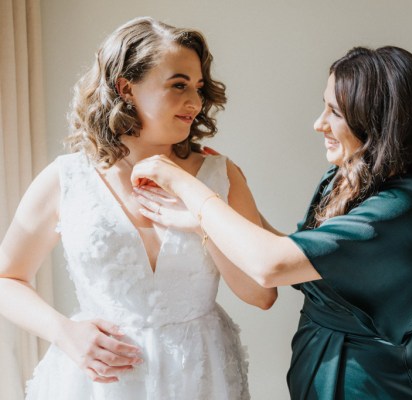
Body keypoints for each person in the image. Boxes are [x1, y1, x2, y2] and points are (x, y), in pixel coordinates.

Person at [131, 46, 412, 399]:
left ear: (378, 121)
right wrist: (215, 212)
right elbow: (297, 257)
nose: (318, 123)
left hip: (374, 386)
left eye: (334, 112)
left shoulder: (397, 208)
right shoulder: (344, 179)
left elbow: (272, 265)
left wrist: (188, 186)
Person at [0, 17, 276, 400]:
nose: (195, 103)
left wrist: (201, 220)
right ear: (126, 88)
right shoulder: (64, 179)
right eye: (178, 85)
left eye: (198, 87)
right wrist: (64, 331)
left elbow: (261, 294)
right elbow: (6, 278)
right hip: (96, 382)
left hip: (200, 376)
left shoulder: (220, 175)